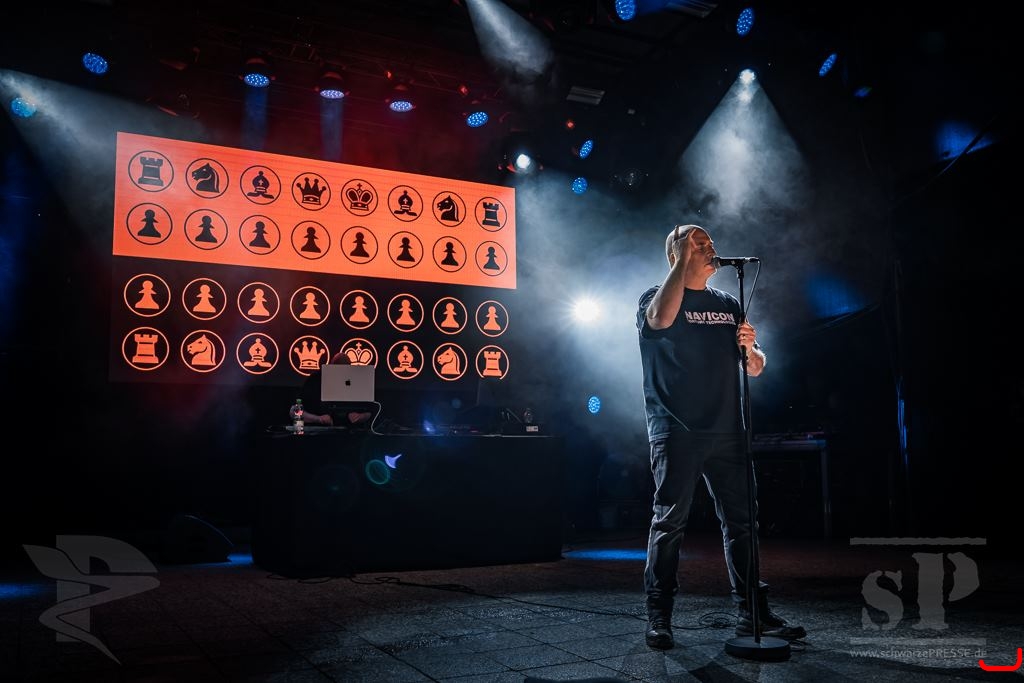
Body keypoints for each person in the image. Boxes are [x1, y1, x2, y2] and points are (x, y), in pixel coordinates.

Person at [636, 224, 805, 650]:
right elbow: (659, 320)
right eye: (698, 242)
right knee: (670, 522)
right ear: (675, 252)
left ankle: (753, 613)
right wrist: (681, 261)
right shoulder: (653, 298)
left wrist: (751, 347)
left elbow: (756, 367)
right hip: (676, 429)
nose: (710, 247)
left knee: (742, 523)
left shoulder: (728, 304)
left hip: (729, 430)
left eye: (710, 241)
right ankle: (659, 616)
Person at [296, 350, 375, 428]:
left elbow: (372, 412)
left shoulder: (357, 382)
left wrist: (362, 416)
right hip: (319, 432)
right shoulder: (315, 379)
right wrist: (318, 419)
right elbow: (295, 411)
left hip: (351, 433)